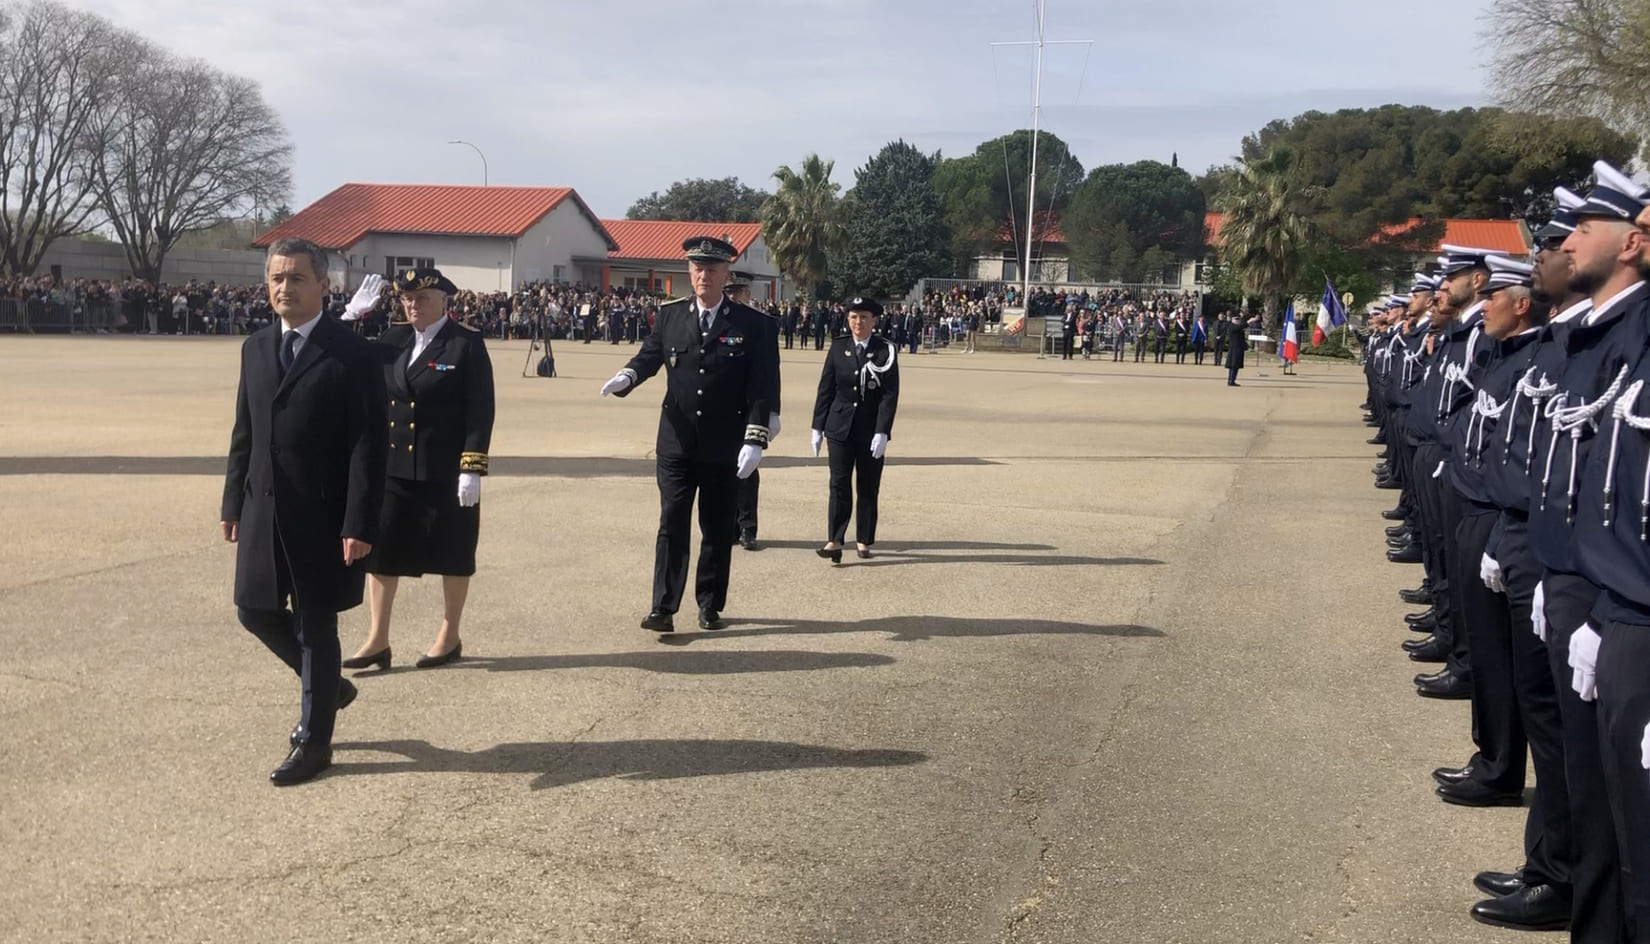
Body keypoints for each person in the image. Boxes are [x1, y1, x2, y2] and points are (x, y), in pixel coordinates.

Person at [219, 236, 387, 785]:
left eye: (295, 278)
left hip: (323, 515)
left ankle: (315, 742)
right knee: (253, 610)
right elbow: (245, 432)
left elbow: (369, 443)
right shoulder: (256, 347)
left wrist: (359, 521)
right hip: (263, 508)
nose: (283, 288)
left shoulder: (353, 352)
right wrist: (231, 501)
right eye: (276, 278)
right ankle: (331, 688)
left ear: (323, 285)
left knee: (317, 624)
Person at [599, 236, 779, 633]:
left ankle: (709, 604)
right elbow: (651, 355)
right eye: (697, 269)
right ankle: (662, 607)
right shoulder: (671, 315)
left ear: (725, 274)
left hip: (724, 444)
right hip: (677, 441)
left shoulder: (753, 325)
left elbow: (761, 386)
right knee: (672, 521)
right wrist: (628, 375)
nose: (703, 276)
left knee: (716, 527)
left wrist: (755, 437)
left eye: (712, 269)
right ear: (689, 272)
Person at [340, 268, 496, 671]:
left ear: (444, 300)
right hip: (395, 468)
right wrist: (348, 320)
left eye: (422, 298)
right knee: (382, 553)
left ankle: (450, 633)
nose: (413, 305)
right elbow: (345, 365)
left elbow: (480, 411)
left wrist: (472, 466)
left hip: (445, 470)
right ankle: (377, 639)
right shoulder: (392, 341)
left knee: (454, 553)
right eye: (407, 299)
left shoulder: (465, 344)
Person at [811, 297, 900, 562]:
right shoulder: (838, 347)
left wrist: (883, 431)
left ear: (874, 321)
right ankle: (835, 539)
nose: (857, 322)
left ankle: (863, 538)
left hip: (869, 429)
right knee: (838, 484)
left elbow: (889, 394)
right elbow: (825, 388)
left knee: (867, 486)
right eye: (853, 317)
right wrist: (817, 426)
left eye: (863, 317)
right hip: (839, 428)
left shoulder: (886, 350)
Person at [726, 271, 782, 550]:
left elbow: (772, 371)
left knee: (747, 470)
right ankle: (730, 526)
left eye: (740, 292)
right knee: (722, 469)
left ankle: (747, 527)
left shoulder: (763, 325)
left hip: (751, 409)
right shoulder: (716, 322)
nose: (735, 297)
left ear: (748, 294)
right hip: (721, 408)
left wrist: (773, 411)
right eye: (730, 292)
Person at [1224, 314, 1249, 386]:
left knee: (1236, 365)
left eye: (1238, 319)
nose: (1238, 320)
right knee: (1233, 365)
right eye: (1236, 319)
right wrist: (1247, 321)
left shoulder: (1238, 327)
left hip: (1238, 348)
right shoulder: (1231, 326)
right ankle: (1230, 380)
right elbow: (1242, 326)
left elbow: (1243, 326)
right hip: (1233, 349)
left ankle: (1232, 380)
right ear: (1232, 320)